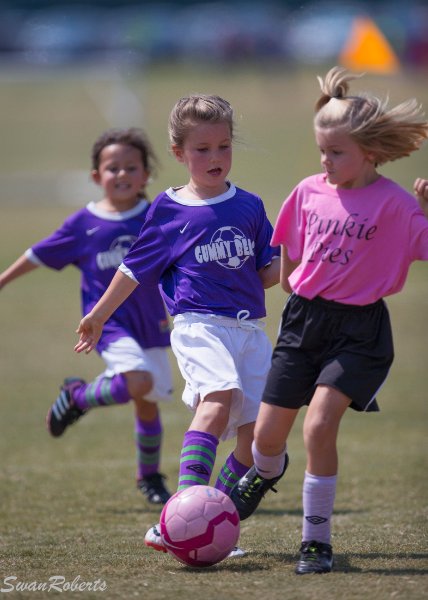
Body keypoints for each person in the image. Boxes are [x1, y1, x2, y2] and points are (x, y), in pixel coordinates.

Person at [230, 66, 428, 574]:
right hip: (303, 323)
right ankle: (266, 471)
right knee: (265, 440)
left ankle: (315, 542)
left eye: (336, 152)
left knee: (319, 426)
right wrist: (293, 280)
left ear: (372, 152)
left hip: (359, 331)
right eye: (322, 150)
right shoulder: (307, 190)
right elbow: (290, 246)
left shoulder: (397, 204)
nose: (325, 160)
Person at [74, 94, 281, 558]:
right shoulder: (168, 210)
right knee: (218, 399)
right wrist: (99, 315)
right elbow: (132, 270)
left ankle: (208, 522)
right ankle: (179, 520)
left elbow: (267, 274)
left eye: (224, 147)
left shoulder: (249, 205)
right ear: (178, 153)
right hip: (198, 325)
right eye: (202, 149)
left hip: (250, 331)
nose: (215, 158)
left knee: (255, 437)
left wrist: (302, 258)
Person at [0, 128, 174, 505]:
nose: (123, 175)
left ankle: (149, 477)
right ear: (96, 176)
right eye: (113, 168)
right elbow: (38, 254)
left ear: (146, 175)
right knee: (139, 382)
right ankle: (78, 396)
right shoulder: (84, 223)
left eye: (132, 167)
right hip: (107, 325)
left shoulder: (157, 217)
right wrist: (3, 280)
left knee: (147, 399)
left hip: (152, 324)